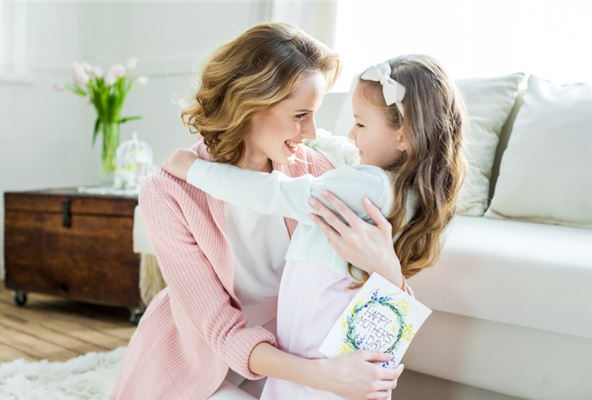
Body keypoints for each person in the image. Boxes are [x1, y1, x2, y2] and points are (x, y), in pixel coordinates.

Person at [110, 23, 407, 400]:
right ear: (249, 105)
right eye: (301, 115)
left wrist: (388, 269)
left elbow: (378, 295)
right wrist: (325, 376)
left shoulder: (315, 173)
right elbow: (221, 332)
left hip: (291, 361)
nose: (311, 132)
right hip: (201, 367)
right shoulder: (169, 192)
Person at [163, 54, 467, 399]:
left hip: (316, 333)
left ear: (404, 136)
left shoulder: (366, 185)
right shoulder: (399, 186)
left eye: (360, 124)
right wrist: (313, 138)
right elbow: (346, 150)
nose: (351, 133)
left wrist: (195, 171)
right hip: (329, 331)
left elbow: (276, 193)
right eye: (301, 116)